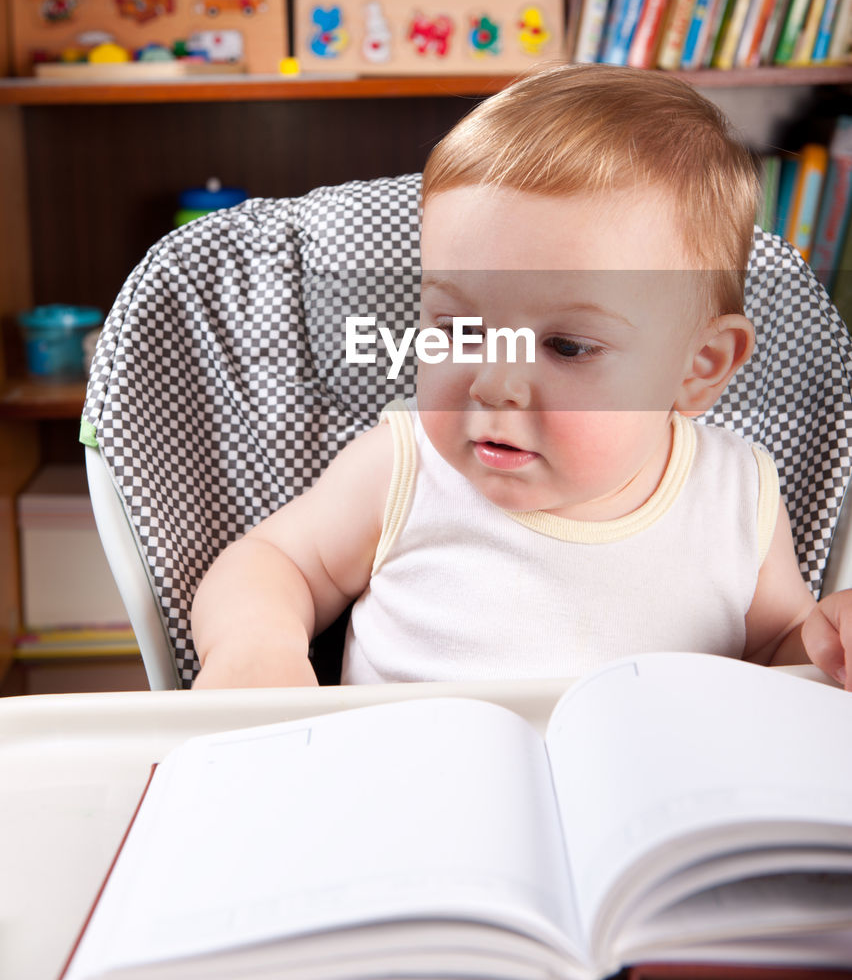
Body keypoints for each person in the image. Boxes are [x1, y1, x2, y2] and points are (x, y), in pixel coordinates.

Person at [191, 63, 852, 690]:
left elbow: (779, 656)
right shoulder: (403, 469)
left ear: (699, 367)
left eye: (566, 346)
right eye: (459, 330)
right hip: (410, 793)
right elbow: (274, 563)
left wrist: (828, 641)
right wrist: (256, 643)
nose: (494, 383)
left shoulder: (736, 496)